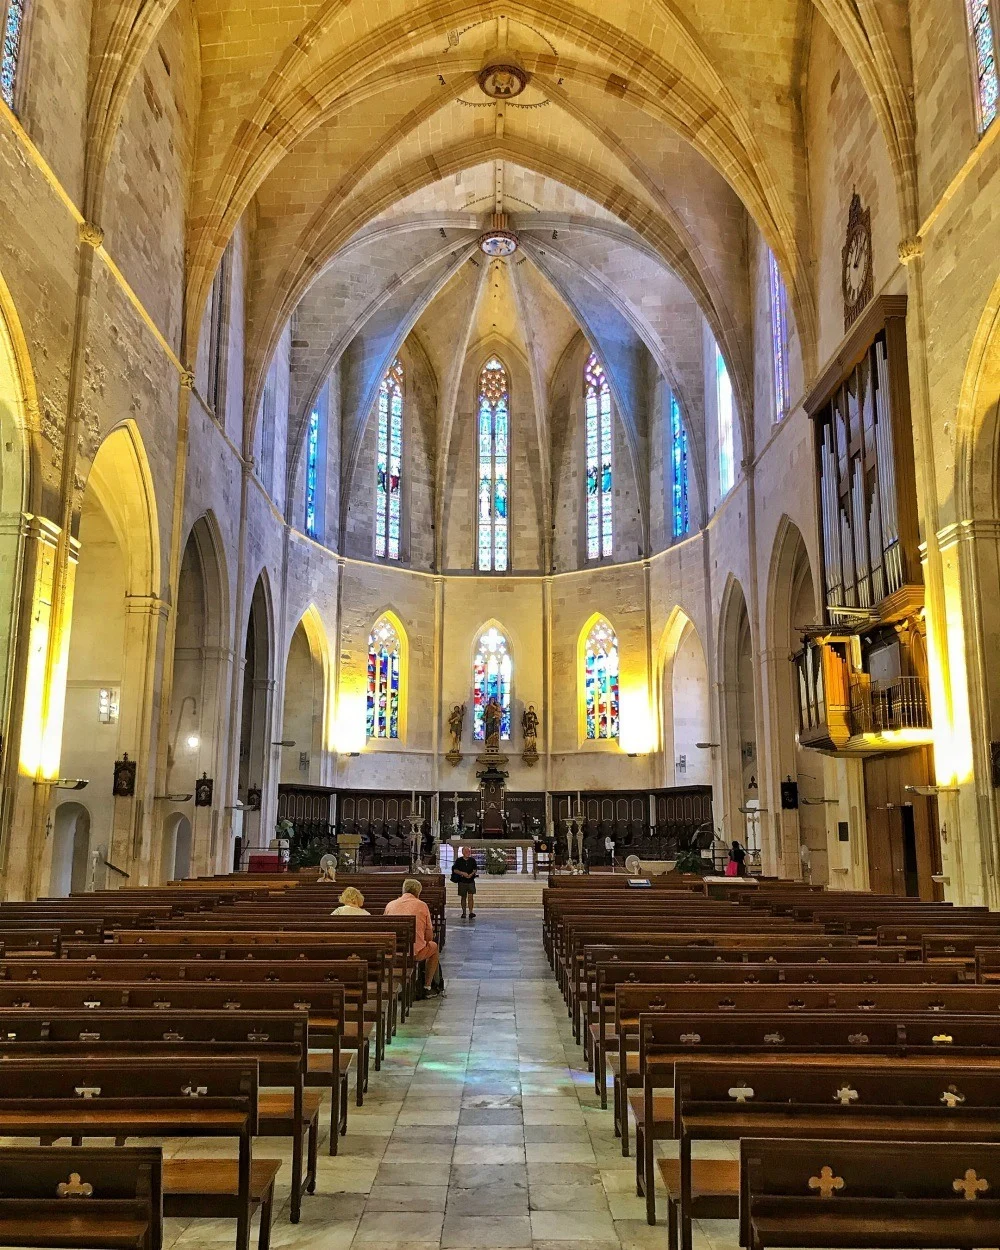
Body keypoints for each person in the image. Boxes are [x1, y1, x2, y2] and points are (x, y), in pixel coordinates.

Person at [384, 878, 440, 997]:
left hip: (392, 951)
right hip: (413, 952)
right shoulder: (422, 905)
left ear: (403, 890)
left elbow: (385, 929)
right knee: (434, 947)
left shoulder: (390, 905)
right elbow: (429, 936)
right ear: (418, 892)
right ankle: (427, 986)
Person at [451, 846, 478, 920]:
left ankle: (471, 912)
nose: (468, 853)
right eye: (466, 851)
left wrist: (471, 874)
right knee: (463, 897)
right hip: (462, 881)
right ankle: (464, 912)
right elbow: (455, 870)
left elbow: (475, 869)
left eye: (469, 851)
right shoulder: (459, 860)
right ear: (463, 852)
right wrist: (462, 873)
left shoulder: (472, 860)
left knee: (471, 897)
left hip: (471, 881)